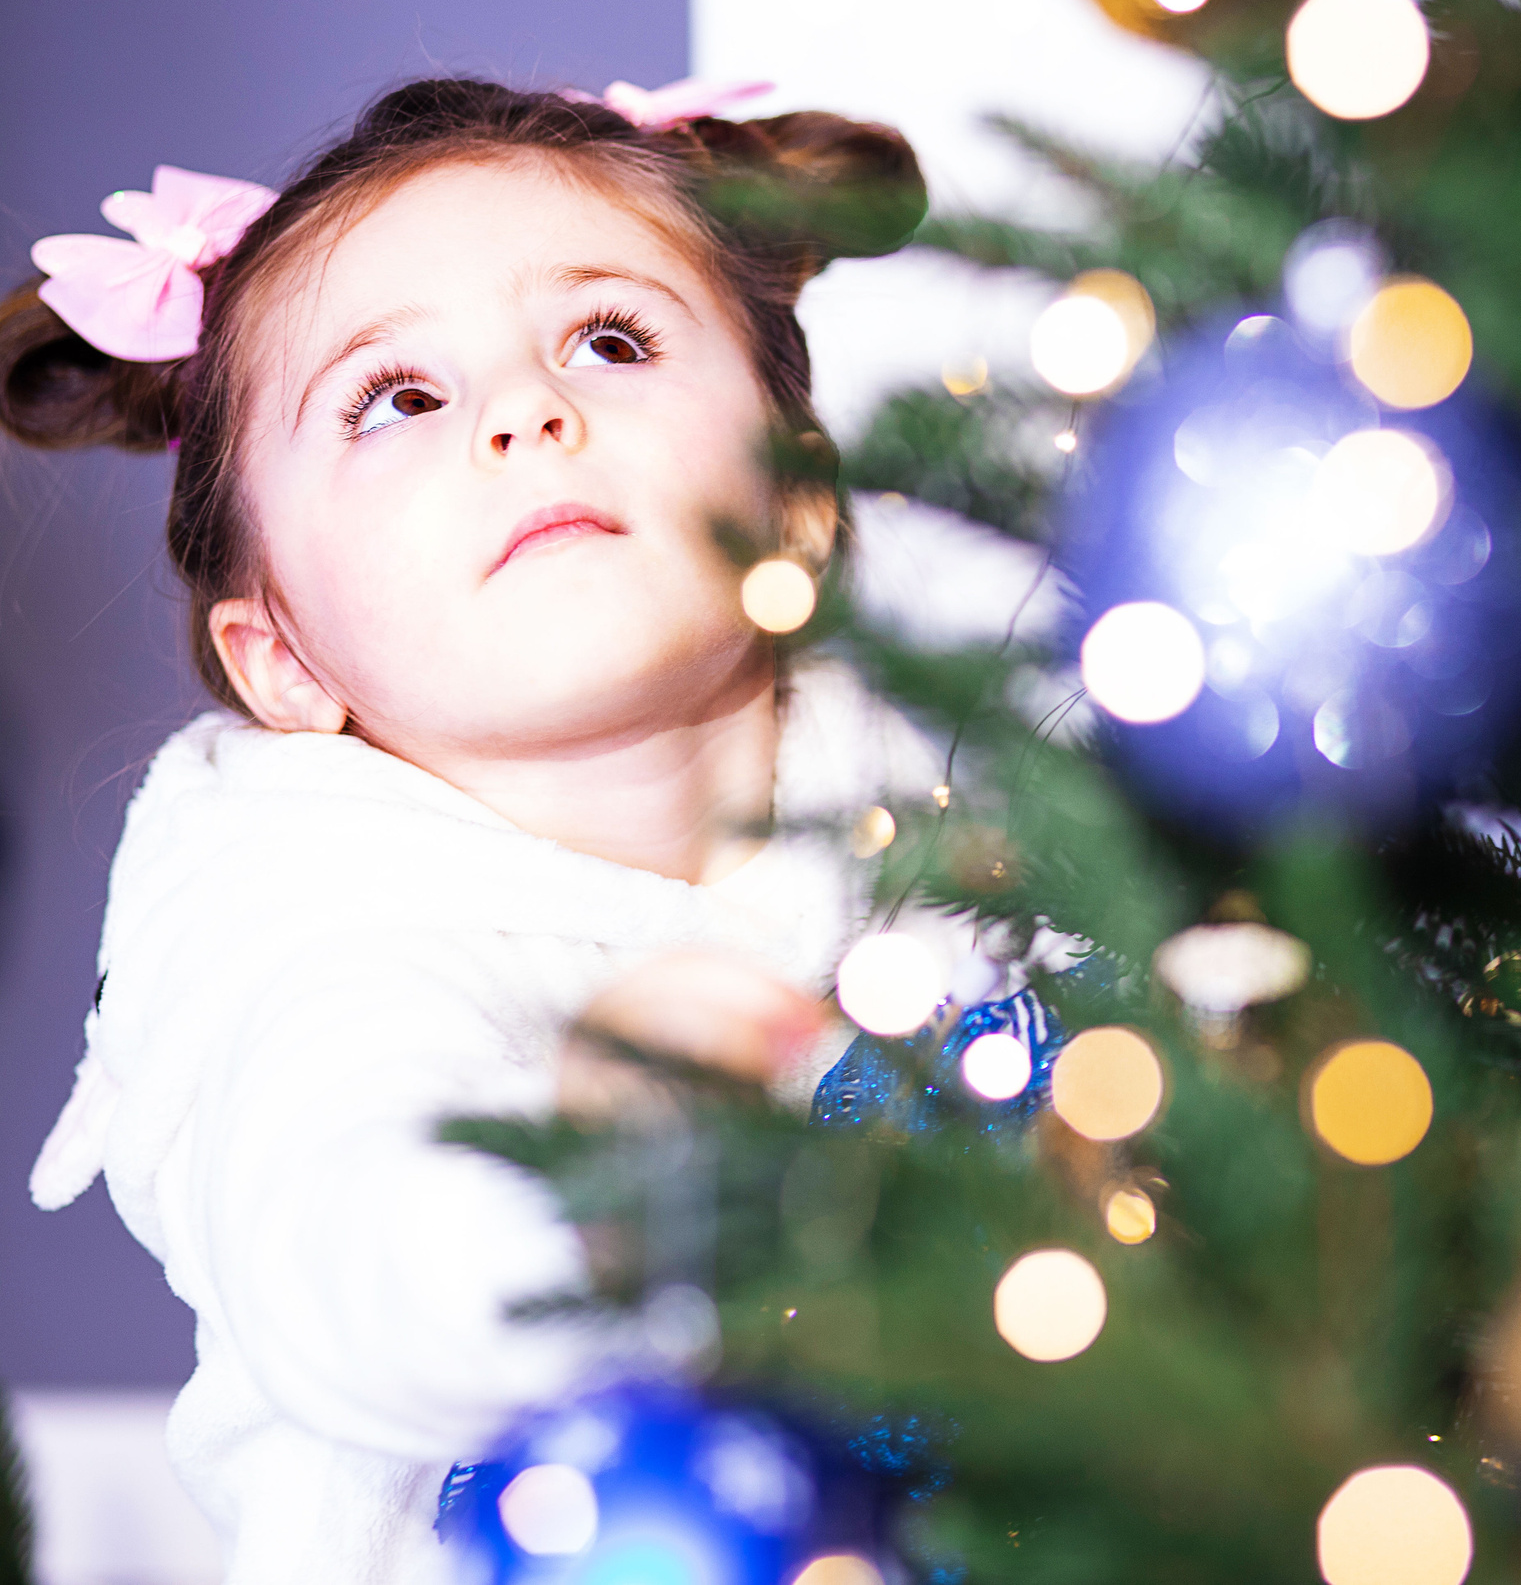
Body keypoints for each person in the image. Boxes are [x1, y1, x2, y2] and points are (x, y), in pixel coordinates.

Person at [0, 78, 972, 1583]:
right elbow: (346, 1267)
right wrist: (590, 1175)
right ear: (287, 662)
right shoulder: (317, 951)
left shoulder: (969, 831)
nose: (530, 410)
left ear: (797, 507)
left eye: (611, 339)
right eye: (398, 398)